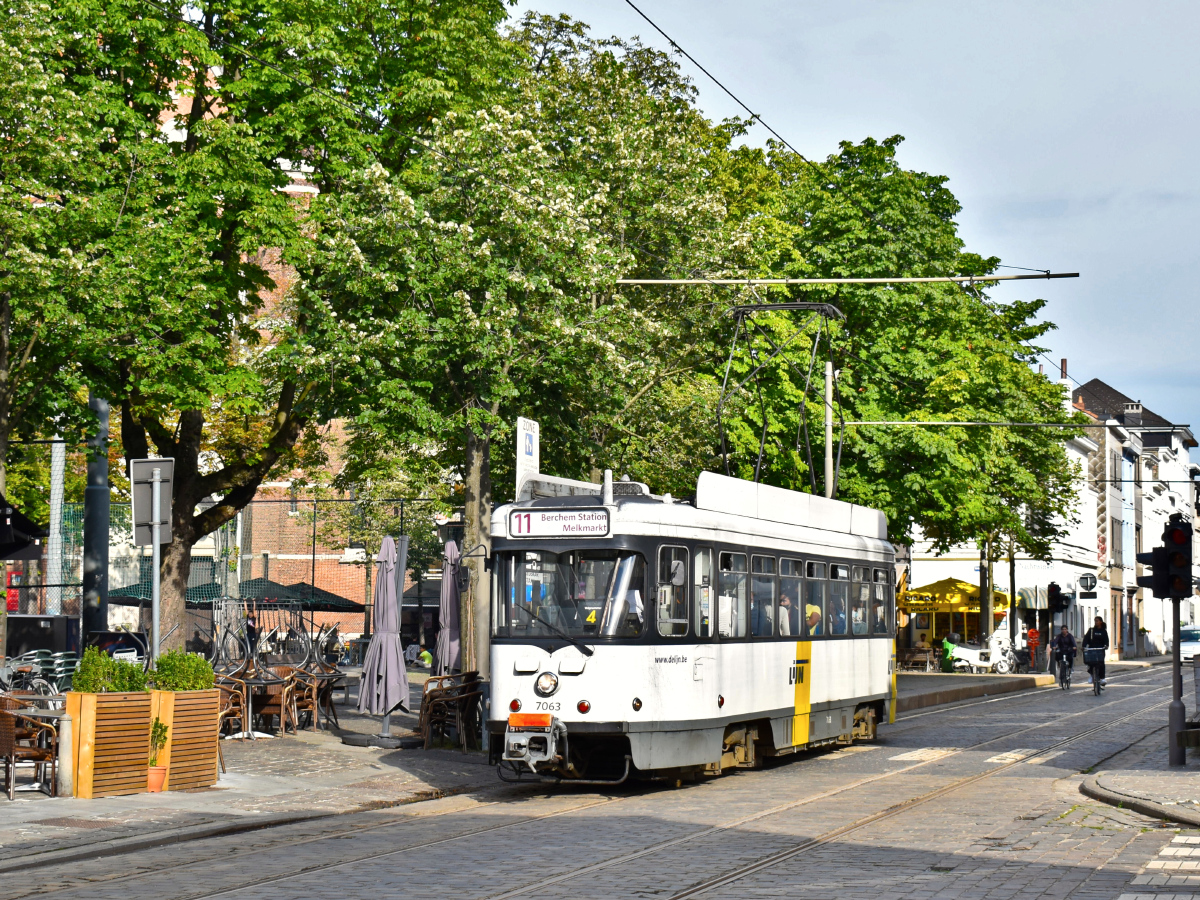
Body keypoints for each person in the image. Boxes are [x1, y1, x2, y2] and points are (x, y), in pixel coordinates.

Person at [1082, 616, 1109, 685]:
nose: (1096, 622)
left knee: (1101, 663)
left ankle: (1102, 678)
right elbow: (1086, 639)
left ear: (1101, 622)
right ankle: (1092, 675)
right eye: (1095, 621)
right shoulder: (1091, 630)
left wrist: (1106, 645)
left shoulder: (1103, 631)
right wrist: (1084, 646)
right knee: (1091, 663)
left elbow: (1106, 640)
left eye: (1097, 621)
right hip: (1092, 649)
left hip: (1100, 650)